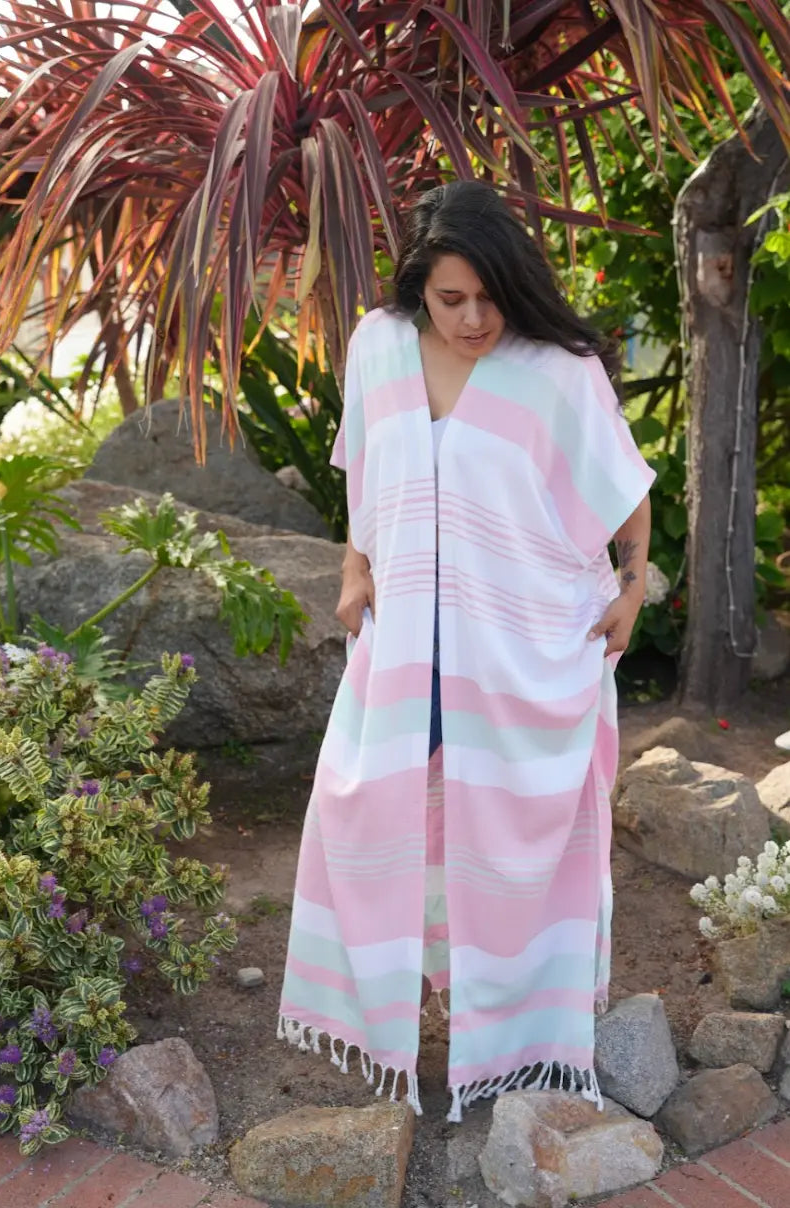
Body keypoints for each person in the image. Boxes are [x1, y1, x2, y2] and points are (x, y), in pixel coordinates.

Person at [278, 180, 654, 1122]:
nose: (475, 318)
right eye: (451, 300)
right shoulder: (377, 350)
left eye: (490, 297)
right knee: (372, 816)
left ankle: (519, 1036)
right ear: (418, 290)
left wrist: (636, 586)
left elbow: (623, 486)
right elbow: (366, 471)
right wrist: (356, 566)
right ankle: (400, 1010)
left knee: (515, 839)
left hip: (522, 652)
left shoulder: (555, 369)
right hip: (407, 650)